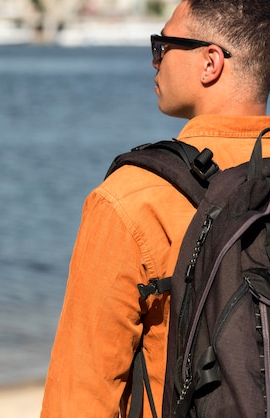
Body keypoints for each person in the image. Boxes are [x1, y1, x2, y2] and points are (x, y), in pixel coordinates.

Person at [40, 0, 270, 417]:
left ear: (210, 63)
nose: (155, 61)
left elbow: (80, 397)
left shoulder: (132, 198)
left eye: (163, 44)